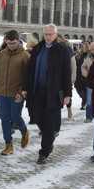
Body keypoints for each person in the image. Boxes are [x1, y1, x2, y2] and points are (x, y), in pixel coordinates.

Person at [25, 24, 72, 164]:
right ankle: (50, 134)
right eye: (46, 34)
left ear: (56, 35)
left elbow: (66, 74)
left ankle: (44, 151)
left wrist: (68, 94)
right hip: (37, 90)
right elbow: (30, 70)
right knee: (37, 117)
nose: (48, 37)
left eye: (51, 34)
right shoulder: (38, 48)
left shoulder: (62, 50)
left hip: (53, 92)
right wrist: (25, 87)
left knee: (49, 122)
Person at [0, 30, 30, 155]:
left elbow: (27, 77)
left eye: (13, 43)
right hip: (2, 92)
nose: (11, 45)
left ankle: (24, 131)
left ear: (18, 41)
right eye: (8, 43)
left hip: (17, 94)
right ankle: (8, 145)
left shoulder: (25, 56)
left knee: (15, 117)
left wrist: (22, 92)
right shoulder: (1, 54)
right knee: (4, 119)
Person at [81, 42, 94, 123]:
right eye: (91, 49)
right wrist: (87, 74)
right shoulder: (88, 57)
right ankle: (89, 117)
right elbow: (83, 67)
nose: (93, 50)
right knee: (89, 101)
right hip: (90, 82)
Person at [75, 42, 89, 110]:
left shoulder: (89, 56)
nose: (83, 48)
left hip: (85, 76)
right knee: (78, 89)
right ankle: (84, 101)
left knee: (84, 91)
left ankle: (84, 103)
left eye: (85, 47)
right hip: (78, 75)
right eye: (82, 47)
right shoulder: (79, 55)